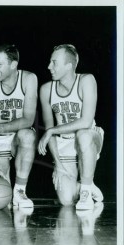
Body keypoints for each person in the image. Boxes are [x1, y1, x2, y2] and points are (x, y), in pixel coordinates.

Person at [38, 44, 104, 210]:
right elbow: (49, 130)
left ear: (69, 66)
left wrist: (52, 130)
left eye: (54, 62)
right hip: (64, 143)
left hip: (88, 137)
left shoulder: (86, 80)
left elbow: (86, 121)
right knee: (66, 200)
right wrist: (58, 165)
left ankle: (86, 193)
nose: (49, 66)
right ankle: (85, 185)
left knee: (83, 134)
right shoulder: (46, 89)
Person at [0, 44, 38, 208]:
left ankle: (20, 191)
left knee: (28, 134)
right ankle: (10, 194)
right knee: (1, 198)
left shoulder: (28, 79)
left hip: (17, 137)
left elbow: (28, 120)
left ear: (13, 65)